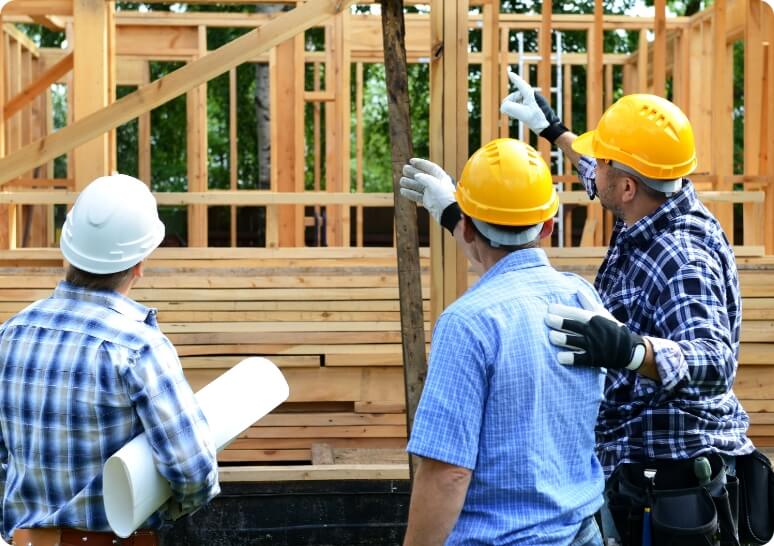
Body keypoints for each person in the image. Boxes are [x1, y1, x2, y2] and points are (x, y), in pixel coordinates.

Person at [405, 70, 754, 544]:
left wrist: (632, 351)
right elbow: (565, 201)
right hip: (597, 503)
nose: (591, 168)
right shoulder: (640, 212)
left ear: (628, 186)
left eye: (603, 161)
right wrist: (552, 131)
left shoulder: (682, 256)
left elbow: (716, 361)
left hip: (675, 480)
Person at [400, 138, 605, 546]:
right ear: (549, 225)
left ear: (470, 226)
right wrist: (452, 212)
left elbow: (448, 473)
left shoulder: (467, 323)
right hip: (581, 533)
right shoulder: (582, 298)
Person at [0, 175, 220, 546]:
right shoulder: (139, 348)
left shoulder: (10, 335)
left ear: (67, 249)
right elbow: (194, 473)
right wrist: (152, 510)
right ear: (139, 264)